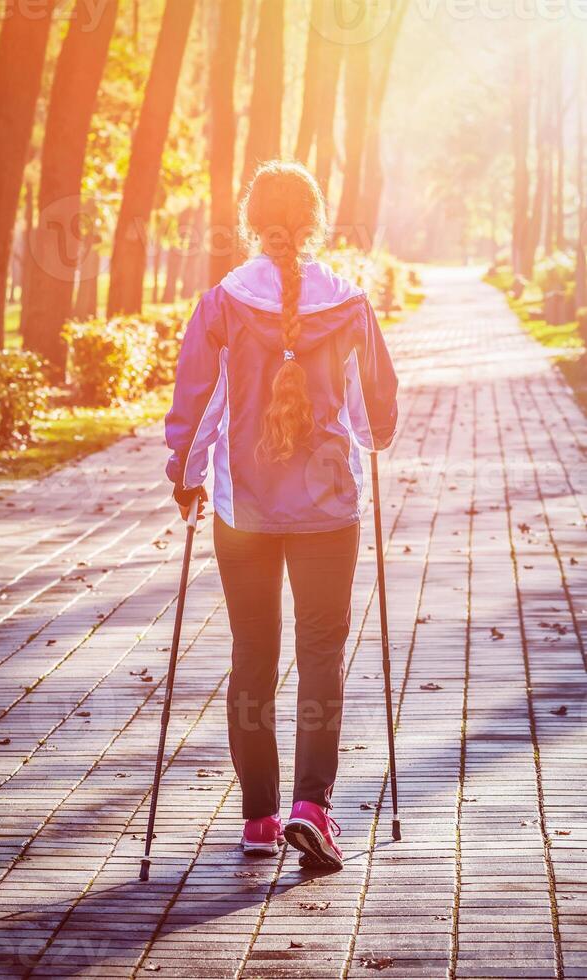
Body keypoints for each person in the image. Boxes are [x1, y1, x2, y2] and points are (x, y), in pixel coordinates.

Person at [165, 161, 398, 871]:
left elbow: (199, 403)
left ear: (250, 220)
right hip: (329, 512)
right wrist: (361, 428)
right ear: (316, 221)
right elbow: (374, 422)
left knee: (252, 658)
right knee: (320, 656)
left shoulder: (223, 302)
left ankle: (260, 819)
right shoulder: (350, 304)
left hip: (245, 511)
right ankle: (313, 808)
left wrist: (186, 474)